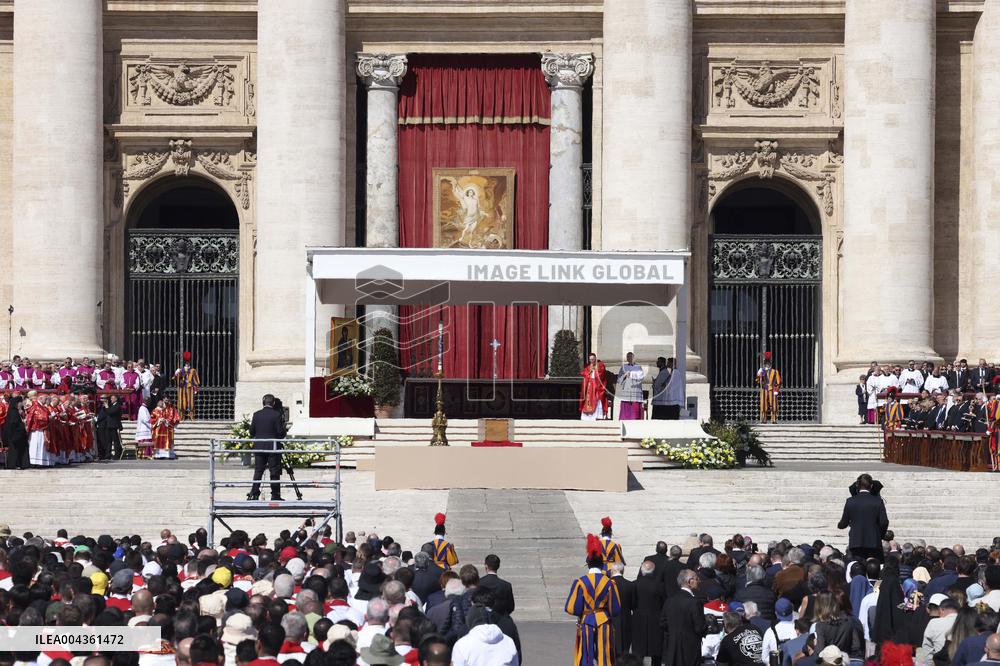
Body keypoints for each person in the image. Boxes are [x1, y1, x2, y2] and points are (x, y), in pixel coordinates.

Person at [564, 534, 622, 666]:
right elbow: (615, 608)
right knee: (605, 656)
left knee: (586, 655)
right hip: (604, 620)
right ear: (602, 565)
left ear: (588, 564)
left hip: (587, 620)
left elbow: (572, 608)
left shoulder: (580, 582)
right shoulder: (609, 582)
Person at [660, 568, 708, 666]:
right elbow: (699, 627)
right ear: (690, 582)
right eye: (696, 578)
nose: (699, 581)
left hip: (672, 646)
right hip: (690, 648)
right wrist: (707, 625)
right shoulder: (694, 602)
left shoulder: (670, 600)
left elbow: (663, 623)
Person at [837, 473, 889, 561]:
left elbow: (843, 523)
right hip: (873, 543)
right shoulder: (877, 501)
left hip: (856, 542)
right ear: (871, 485)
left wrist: (840, 525)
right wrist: (880, 535)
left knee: (858, 568)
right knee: (873, 567)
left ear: (858, 485)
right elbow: (884, 522)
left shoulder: (850, 501)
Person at [248, 393, 287, 501]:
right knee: (274, 471)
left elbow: (251, 432)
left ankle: (254, 493)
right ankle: (275, 495)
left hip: (259, 446)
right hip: (273, 447)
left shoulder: (256, 414)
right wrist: (284, 428)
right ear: (273, 403)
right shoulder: (277, 415)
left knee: (258, 471)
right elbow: (280, 433)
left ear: (263, 402)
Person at [632, 560, 664, 666]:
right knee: (656, 653)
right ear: (653, 571)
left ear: (641, 571)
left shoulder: (634, 584)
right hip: (656, 620)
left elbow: (632, 602)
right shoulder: (659, 585)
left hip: (638, 620)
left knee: (638, 652)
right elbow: (664, 602)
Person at [579, 353, 609, 421]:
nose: (591, 361)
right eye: (590, 359)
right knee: (588, 400)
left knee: (597, 399)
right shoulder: (588, 366)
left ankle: (597, 415)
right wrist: (589, 371)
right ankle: (588, 416)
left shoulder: (600, 365)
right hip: (590, 386)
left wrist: (595, 370)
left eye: (593, 359)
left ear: (595, 358)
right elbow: (583, 373)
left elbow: (602, 374)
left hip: (597, 385)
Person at [617, 352, 645, 420]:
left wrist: (631, 374)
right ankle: (625, 418)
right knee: (626, 403)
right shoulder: (624, 367)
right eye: (628, 357)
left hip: (635, 389)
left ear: (633, 358)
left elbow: (641, 376)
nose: (629, 358)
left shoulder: (638, 367)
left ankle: (635, 418)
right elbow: (619, 379)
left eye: (631, 357)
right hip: (626, 388)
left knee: (635, 405)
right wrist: (624, 375)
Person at [3, 394, 28, 470]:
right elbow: (14, 424)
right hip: (15, 436)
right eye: (20, 402)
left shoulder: (16, 412)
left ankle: (18, 464)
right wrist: (23, 424)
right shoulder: (14, 412)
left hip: (17, 436)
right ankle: (14, 464)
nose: (22, 404)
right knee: (14, 451)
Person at [174, 352, 200, 420]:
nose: (187, 363)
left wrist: (196, 388)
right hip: (182, 388)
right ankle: (181, 416)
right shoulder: (180, 370)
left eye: (188, 362)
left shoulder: (193, 370)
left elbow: (195, 380)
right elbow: (176, 378)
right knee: (181, 402)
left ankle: (191, 416)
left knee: (191, 403)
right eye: (186, 362)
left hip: (190, 388)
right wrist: (176, 373)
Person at [756, 352, 781, 423]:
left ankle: (773, 419)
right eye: (766, 364)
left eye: (768, 363)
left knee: (773, 404)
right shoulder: (762, 371)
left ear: (770, 364)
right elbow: (758, 380)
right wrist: (759, 375)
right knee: (763, 404)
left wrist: (777, 389)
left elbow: (778, 381)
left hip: (772, 389)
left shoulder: (775, 371)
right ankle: (763, 419)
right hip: (764, 389)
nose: (767, 365)